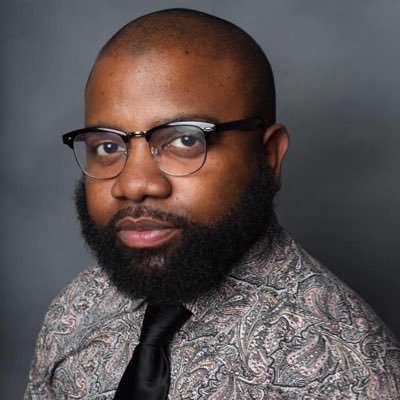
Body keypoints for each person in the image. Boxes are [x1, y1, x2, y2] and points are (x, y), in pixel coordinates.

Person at [25, 8, 400, 400]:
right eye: (107, 146)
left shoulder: (349, 377)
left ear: (269, 156)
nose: (132, 184)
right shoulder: (75, 309)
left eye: (186, 140)